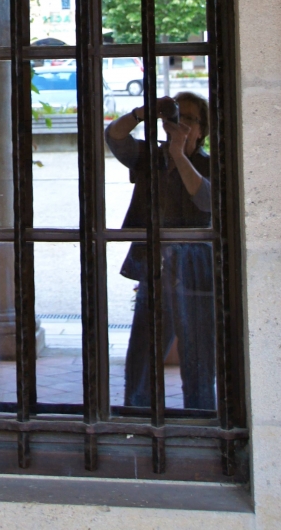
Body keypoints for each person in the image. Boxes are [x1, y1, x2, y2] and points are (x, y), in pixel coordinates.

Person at [105, 92, 215, 410]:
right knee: (143, 352)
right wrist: (143, 112)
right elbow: (114, 136)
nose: (182, 123)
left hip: (196, 270)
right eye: (177, 116)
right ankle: (137, 417)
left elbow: (207, 201)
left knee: (198, 355)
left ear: (202, 130)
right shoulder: (150, 156)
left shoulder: (210, 163)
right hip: (154, 265)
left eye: (190, 118)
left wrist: (179, 155)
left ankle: (201, 418)